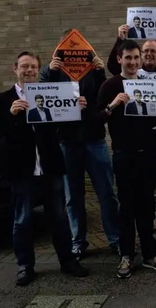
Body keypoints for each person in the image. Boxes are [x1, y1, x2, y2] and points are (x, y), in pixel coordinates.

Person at [0, 51, 89, 286]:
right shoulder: (4, 99)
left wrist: (76, 106)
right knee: (22, 220)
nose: (28, 71)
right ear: (15, 68)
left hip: (50, 166)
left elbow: (63, 122)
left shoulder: (49, 94)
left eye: (33, 67)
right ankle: (24, 267)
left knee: (59, 218)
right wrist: (11, 115)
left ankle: (68, 262)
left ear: (38, 70)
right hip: (22, 171)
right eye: (24, 66)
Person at [40, 28, 119, 261]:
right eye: (68, 47)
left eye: (78, 48)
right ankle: (78, 242)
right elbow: (42, 100)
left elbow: (103, 99)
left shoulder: (92, 71)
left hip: (94, 139)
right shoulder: (51, 71)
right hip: (66, 142)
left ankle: (115, 240)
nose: (73, 52)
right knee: (73, 197)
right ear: (60, 47)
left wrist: (101, 71)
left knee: (107, 193)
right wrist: (50, 72)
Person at [97, 40, 156, 279]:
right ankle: (126, 255)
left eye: (136, 58)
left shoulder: (149, 84)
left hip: (148, 155)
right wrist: (113, 105)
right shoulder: (110, 85)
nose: (133, 62)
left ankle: (149, 254)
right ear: (119, 59)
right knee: (126, 208)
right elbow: (97, 119)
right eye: (128, 58)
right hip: (123, 156)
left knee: (147, 207)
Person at [107, 24, 156, 233]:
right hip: (141, 141)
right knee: (141, 193)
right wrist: (119, 40)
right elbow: (114, 66)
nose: (149, 54)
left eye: (153, 51)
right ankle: (146, 228)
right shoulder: (135, 74)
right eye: (145, 51)